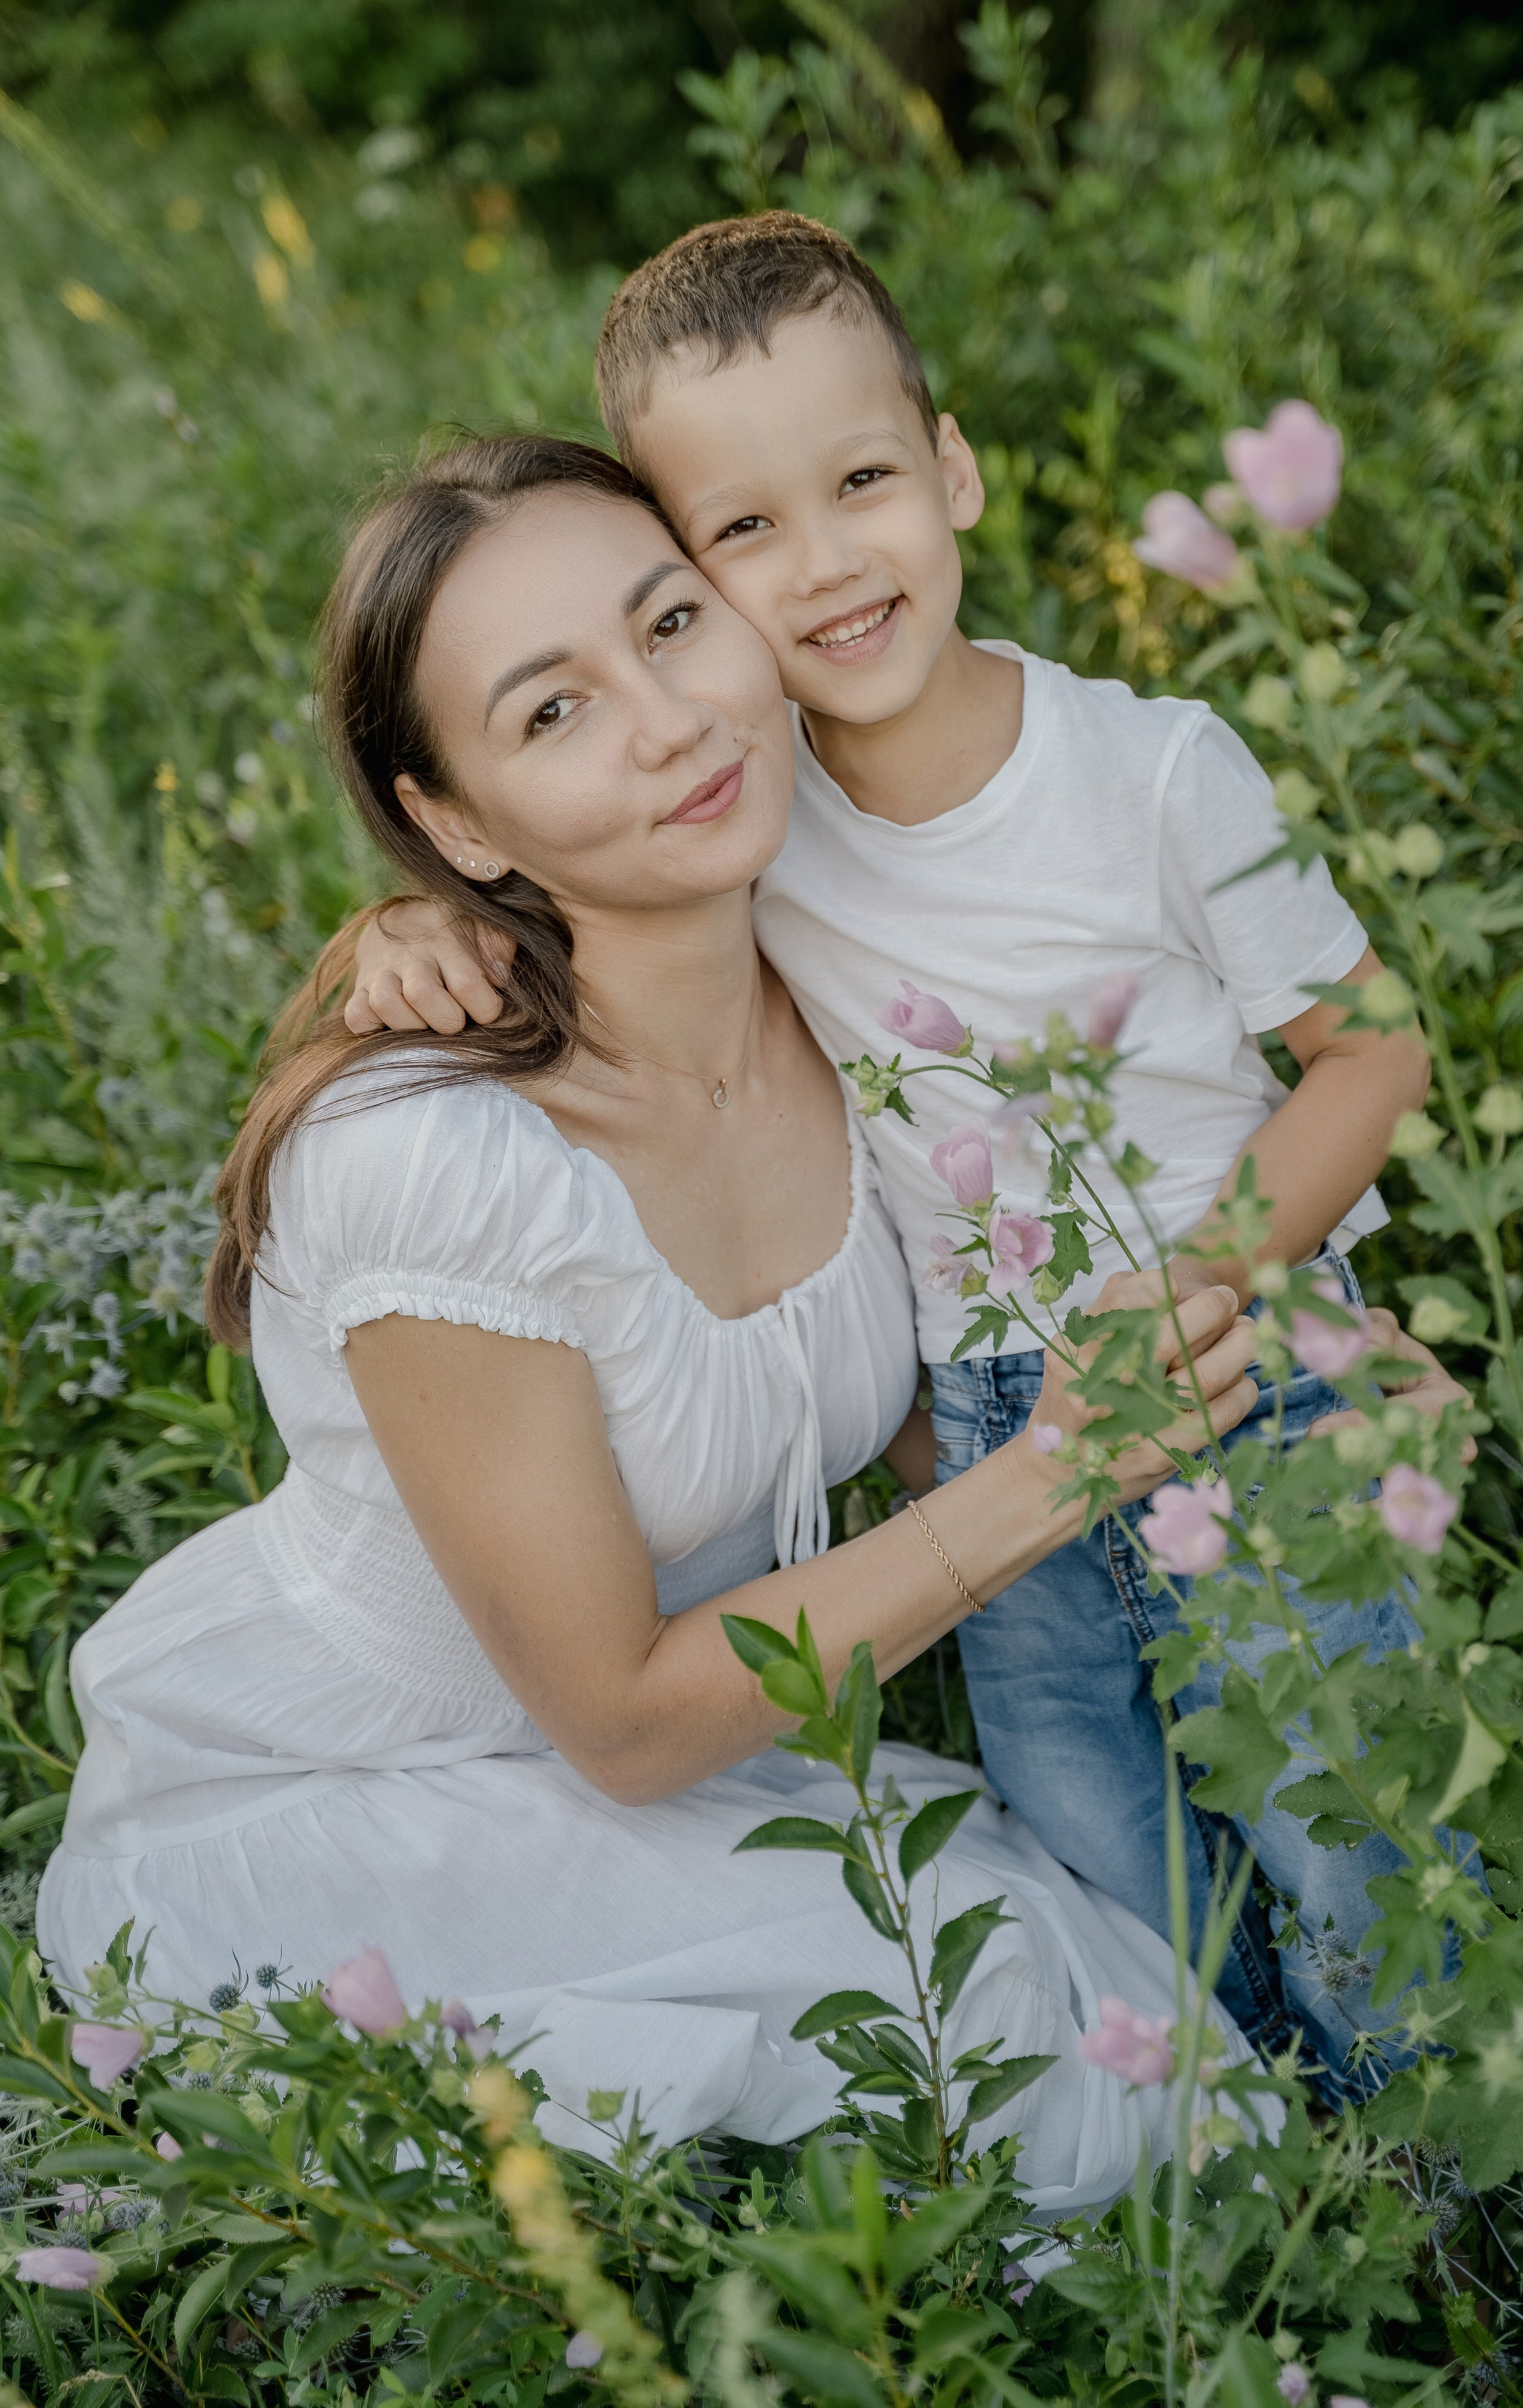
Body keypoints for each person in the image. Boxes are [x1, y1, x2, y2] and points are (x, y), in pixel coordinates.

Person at [37, 434, 1276, 2206]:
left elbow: (964, 1373)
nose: (670, 722)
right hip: (388, 1797)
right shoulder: (438, 1169)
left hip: (723, 1733)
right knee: (1034, 2019)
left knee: (1151, 1944)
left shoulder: (851, 967)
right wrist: (1052, 1481)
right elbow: (618, 1722)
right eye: (551, 714)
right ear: (456, 823)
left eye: (674, 623)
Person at [344, 214, 1460, 2104]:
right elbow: (561, 868)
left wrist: (1235, 1275)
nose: (826, 563)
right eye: (745, 533)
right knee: (1101, 1834)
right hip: (980, 1411)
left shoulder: (1155, 771)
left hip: (1230, 1352)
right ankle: (1285, 2153)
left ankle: (1464, 2195)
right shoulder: (753, 818)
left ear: (951, 474)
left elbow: (1379, 1042)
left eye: (863, 481)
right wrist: (376, 939)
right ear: (692, 583)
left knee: (1344, 1815)